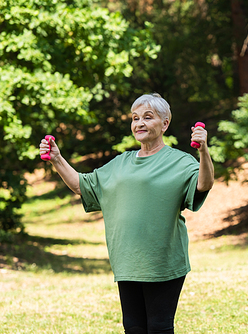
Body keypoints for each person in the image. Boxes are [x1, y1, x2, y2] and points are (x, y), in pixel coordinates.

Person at [39, 93, 214, 334]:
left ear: (165, 124)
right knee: (133, 328)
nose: (139, 123)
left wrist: (204, 151)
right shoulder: (120, 163)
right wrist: (57, 159)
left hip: (161, 263)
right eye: (135, 118)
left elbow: (204, 184)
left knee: (159, 328)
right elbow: (82, 185)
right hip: (127, 262)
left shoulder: (180, 162)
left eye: (147, 117)